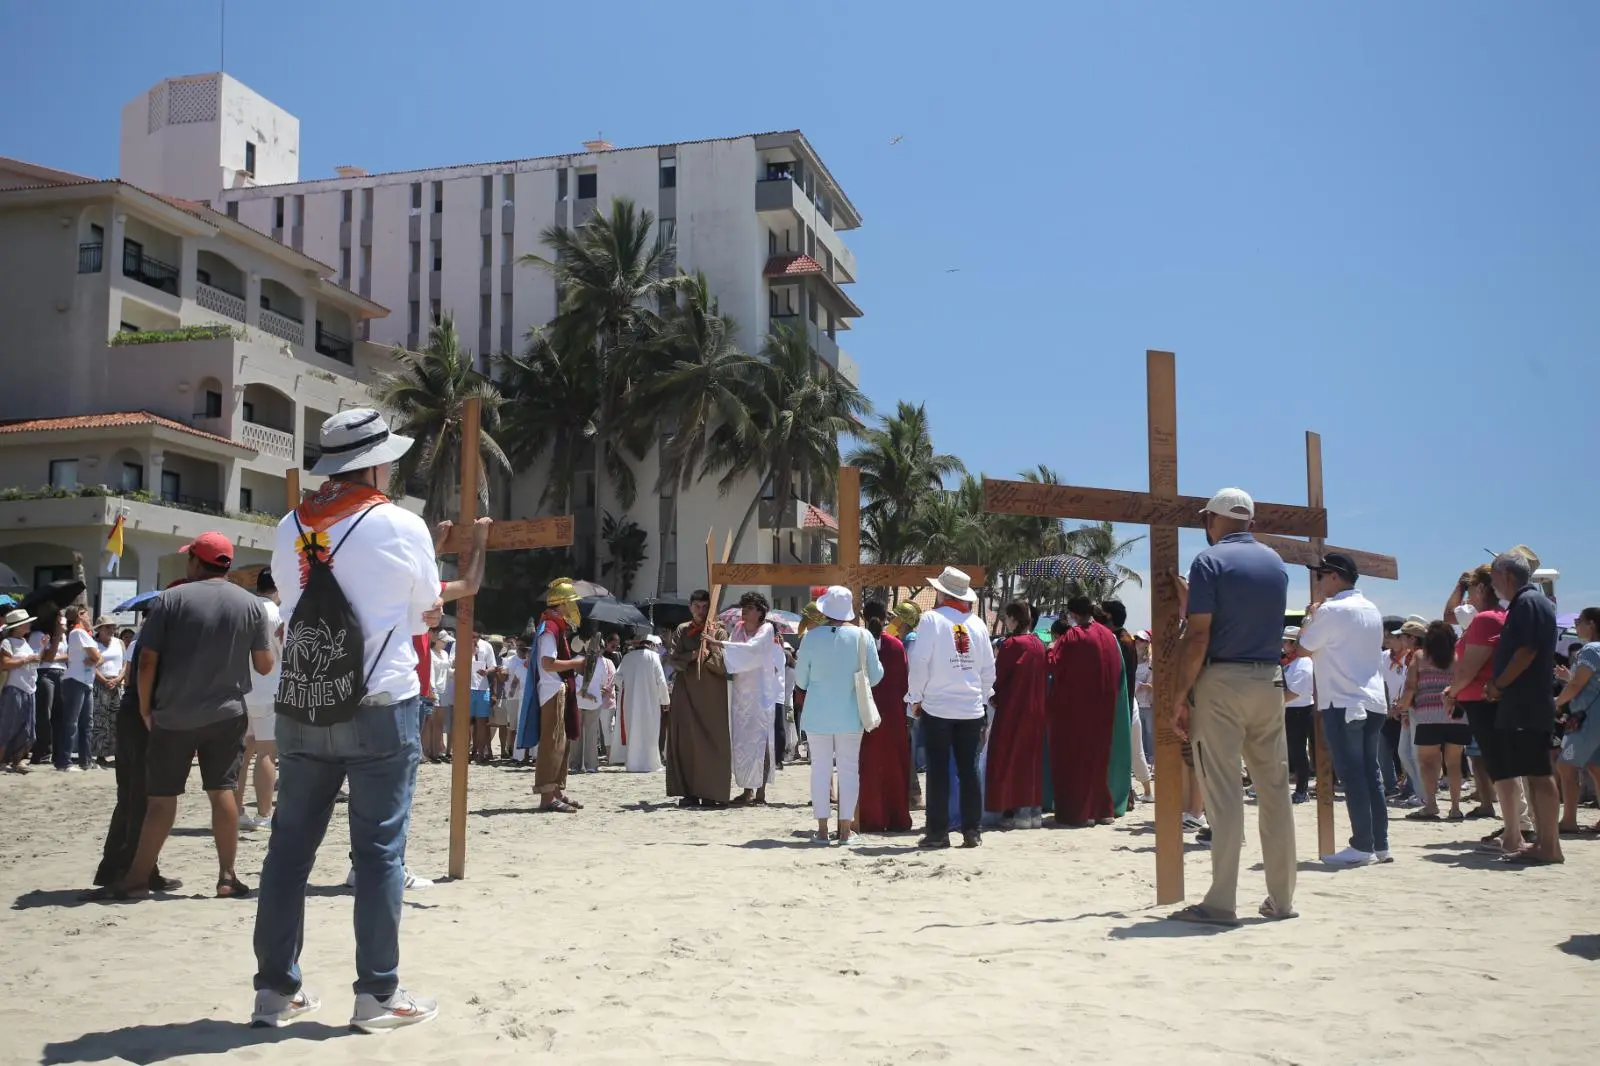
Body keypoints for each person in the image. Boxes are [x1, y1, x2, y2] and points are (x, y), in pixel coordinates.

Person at [115, 533, 275, 900]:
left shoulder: (170, 599)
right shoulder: (250, 604)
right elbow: (264, 665)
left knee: (161, 799)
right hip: (227, 714)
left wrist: (145, 707)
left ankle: (136, 879)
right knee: (222, 792)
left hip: (174, 713)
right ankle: (227, 877)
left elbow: (147, 660)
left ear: (195, 562)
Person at [1167, 487, 1295, 926]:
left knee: (1224, 796)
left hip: (1222, 682)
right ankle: (1282, 899)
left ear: (1211, 520)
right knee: (1274, 792)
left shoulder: (1209, 561)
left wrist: (1179, 696)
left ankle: (1221, 902)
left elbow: (1199, 635)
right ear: (1250, 523)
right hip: (1269, 680)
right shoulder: (1275, 563)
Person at [1296, 552, 1390, 866]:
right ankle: (1379, 844)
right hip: (1372, 699)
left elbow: (1303, 647)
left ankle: (1362, 845)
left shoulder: (1331, 609)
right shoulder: (1371, 608)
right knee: (1370, 773)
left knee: (1352, 774)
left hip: (1343, 700)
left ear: (1335, 576)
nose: (1318, 582)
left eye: (1320, 575)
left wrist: (1310, 616)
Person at [89, 604, 178, 893]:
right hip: (143, 716)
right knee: (141, 797)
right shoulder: (156, 641)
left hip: (131, 714)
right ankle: (130, 870)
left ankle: (125, 867)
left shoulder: (144, 639)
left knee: (130, 796)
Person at [905, 567, 995, 850]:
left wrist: (915, 696)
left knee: (938, 770)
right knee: (969, 770)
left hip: (938, 706)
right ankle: (972, 830)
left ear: (942, 593)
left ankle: (938, 832)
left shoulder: (932, 619)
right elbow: (988, 671)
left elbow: (919, 661)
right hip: (971, 707)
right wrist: (981, 699)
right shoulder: (978, 624)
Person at [1483, 551, 1563, 865]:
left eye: (1493, 577)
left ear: (1506, 575)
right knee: (1534, 773)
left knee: (1539, 774)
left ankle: (1550, 846)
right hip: (1528, 703)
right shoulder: (1530, 602)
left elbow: (1526, 652)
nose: (1492, 584)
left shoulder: (1528, 603)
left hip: (1527, 703)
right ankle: (1544, 842)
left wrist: (1499, 685)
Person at [792, 586, 883, 845]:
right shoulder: (863, 636)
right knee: (849, 770)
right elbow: (876, 676)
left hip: (817, 713)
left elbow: (801, 680)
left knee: (820, 769)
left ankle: (822, 830)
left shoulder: (811, 637)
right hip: (851, 713)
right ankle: (845, 830)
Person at [1444, 565, 1514, 832]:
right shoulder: (1498, 615)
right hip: (1488, 699)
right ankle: (1514, 828)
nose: (1468, 597)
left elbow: (1468, 669)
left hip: (1484, 701)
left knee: (1502, 770)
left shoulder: (1485, 618)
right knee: (1501, 768)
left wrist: (1451, 692)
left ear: (1482, 589)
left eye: (1471, 590)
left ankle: (1514, 831)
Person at [1045, 596, 1124, 827]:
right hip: (1105, 707)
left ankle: (1079, 812)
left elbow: (1054, 663)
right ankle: (1102, 810)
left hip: (1076, 709)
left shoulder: (1073, 636)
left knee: (1075, 760)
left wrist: (1050, 649)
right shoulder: (1108, 635)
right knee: (1099, 759)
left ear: (1074, 614)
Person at [665, 590, 732, 807]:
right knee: (686, 742)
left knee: (712, 742)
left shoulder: (719, 632)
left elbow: (725, 665)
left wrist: (710, 648)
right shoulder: (682, 630)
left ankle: (712, 792)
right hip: (685, 692)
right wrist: (693, 655)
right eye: (697, 606)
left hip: (711, 695)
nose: (701, 611)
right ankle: (689, 792)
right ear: (690, 607)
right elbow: (673, 659)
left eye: (705, 607)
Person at [715, 592, 783, 805]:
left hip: (761, 693)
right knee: (742, 741)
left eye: (751, 607)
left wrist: (721, 644)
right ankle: (747, 789)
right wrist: (720, 644)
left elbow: (752, 650)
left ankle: (761, 790)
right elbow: (733, 658)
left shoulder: (767, 628)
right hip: (740, 693)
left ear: (761, 612)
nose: (745, 611)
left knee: (761, 740)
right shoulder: (737, 628)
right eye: (744, 607)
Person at [985, 601, 1048, 828]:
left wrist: (993, 698)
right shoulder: (1038, 644)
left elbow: (998, 677)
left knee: (1008, 758)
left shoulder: (1012, 645)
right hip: (1036, 711)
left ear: (1013, 618)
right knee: (1030, 761)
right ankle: (1031, 812)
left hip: (1013, 711)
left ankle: (1011, 811)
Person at [1399, 620, 1468, 821]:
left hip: (1427, 717)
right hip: (1456, 715)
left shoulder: (1420, 657)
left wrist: (1402, 706)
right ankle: (1455, 808)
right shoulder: (1459, 658)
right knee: (1453, 763)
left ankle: (1431, 805)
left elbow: (1410, 687)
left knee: (1428, 763)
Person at [530, 579, 586, 813]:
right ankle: (547, 796)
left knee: (561, 743)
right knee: (552, 744)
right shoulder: (550, 629)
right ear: (561, 604)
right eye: (571, 602)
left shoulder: (556, 627)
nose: (573, 607)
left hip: (557, 689)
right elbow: (548, 663)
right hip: (552, 689)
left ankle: (556, 791)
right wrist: (576, 663)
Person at [857, 601, 912, 833]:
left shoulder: (859, 643)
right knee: (894, 767)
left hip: (864, 713)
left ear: (863, 616)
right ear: (885, 616)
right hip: (893, 713)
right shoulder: (897, 645)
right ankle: (897, 817)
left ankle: (871, 818)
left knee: (868, 766)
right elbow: (904, 683)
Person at [236, 568, 284, 832]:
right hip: (268, 689)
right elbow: (284, 652)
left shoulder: (243, 608)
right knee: (266, 752)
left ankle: (237, 810)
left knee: (243, 754)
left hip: (242, 689)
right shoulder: (275, 613)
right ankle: (264, 813)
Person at [1555, 607, 1600, 833]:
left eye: (1578, 621)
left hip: (1588, 719)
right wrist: (1569, 678)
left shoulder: (1591, 650)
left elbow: (1577, 686)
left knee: (1566, 765)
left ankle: (1569, 821)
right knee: (1596, 767)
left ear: (1591, 624)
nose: (1576, 626)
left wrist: (1557, 702)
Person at [615, 634, 670, 772]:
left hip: (631, 700)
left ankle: (633, 763)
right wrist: (665, 700)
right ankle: (651, 763)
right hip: (650, 701)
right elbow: (661, 681)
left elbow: (617, 678)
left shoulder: (627, 657)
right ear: (651, 645)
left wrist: (628, 685)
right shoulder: (654, 657)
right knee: (650, 730)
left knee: (633, 729)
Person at [56, 605, 99, 771]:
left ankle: (86, 760)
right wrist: (95, 658)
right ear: (80, 615)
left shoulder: (84, 634)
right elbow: (96, 656)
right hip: (75, 680)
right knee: (71, 722)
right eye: (87, 615)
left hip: (86, 681)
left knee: (87, 723)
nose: (90, 618)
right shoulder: (77, 632)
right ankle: (64, 761)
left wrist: (95, 658)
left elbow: (99, 658)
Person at [0, 608, 40, 772]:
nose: (29, 625)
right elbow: (4, 663)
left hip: (28, 688)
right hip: (14, 688)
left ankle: (17, 761)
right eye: (26, 623)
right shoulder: (7, 643)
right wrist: (27, 660)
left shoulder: (24, 642)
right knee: (8, 726)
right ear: (17, 626)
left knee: (27, 728)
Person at [572, 632, 617, 774]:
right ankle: (591, 764)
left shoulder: (575, 660)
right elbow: (603, 681)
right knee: (591, 733)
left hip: (578, 700)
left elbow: (572, 681)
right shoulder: (601, 662)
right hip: (594, 700)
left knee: (577, 733)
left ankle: (574, 764)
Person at [28, 609, 64, 765]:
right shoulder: (38, 635)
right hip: (45, 674)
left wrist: (54, 653)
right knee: (44, 715)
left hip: (61, 672)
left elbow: (70, 656)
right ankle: (41, 750)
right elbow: (45, 658)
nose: (62, 622)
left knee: (59, 714)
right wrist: (55, 639)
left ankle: (56, 752)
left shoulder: (63, 637)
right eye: (59, 619)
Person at [89, 615, 125, 767]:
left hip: (117, 683)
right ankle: (100, 754)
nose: (111, 630)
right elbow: (91, 665)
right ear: (99, 629)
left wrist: (119, 679)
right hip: (100, 683)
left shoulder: (119, 643)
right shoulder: (93, 644)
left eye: (113, 627)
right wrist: (104, 680)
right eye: (108, 627)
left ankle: (118, 753)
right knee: (100, 720)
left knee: (118, 720)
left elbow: (125, 663)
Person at [468, 626, 497, 765]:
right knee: (466, 722)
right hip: (466, 688)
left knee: (481, 722)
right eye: (472, 636)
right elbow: (453, 663)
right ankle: (466, 751)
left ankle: (480, 752)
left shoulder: (487, 646)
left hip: (482, 688)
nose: (475, 639)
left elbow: (493, 666)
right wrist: (469, 653)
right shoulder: (459, 644)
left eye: (477, 637)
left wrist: (486, 671)